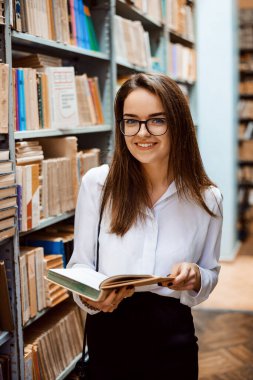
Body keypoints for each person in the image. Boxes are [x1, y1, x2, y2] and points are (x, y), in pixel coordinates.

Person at [67, 73, 223, 380]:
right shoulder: (97, 184)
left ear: (177, 125)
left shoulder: (208, 198)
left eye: (156, 120)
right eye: (131, 121)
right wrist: (90, 297)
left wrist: (195, 277)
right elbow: (79, 265)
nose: (142, 133)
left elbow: (211, 274)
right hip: (108, 335)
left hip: (172, 340)